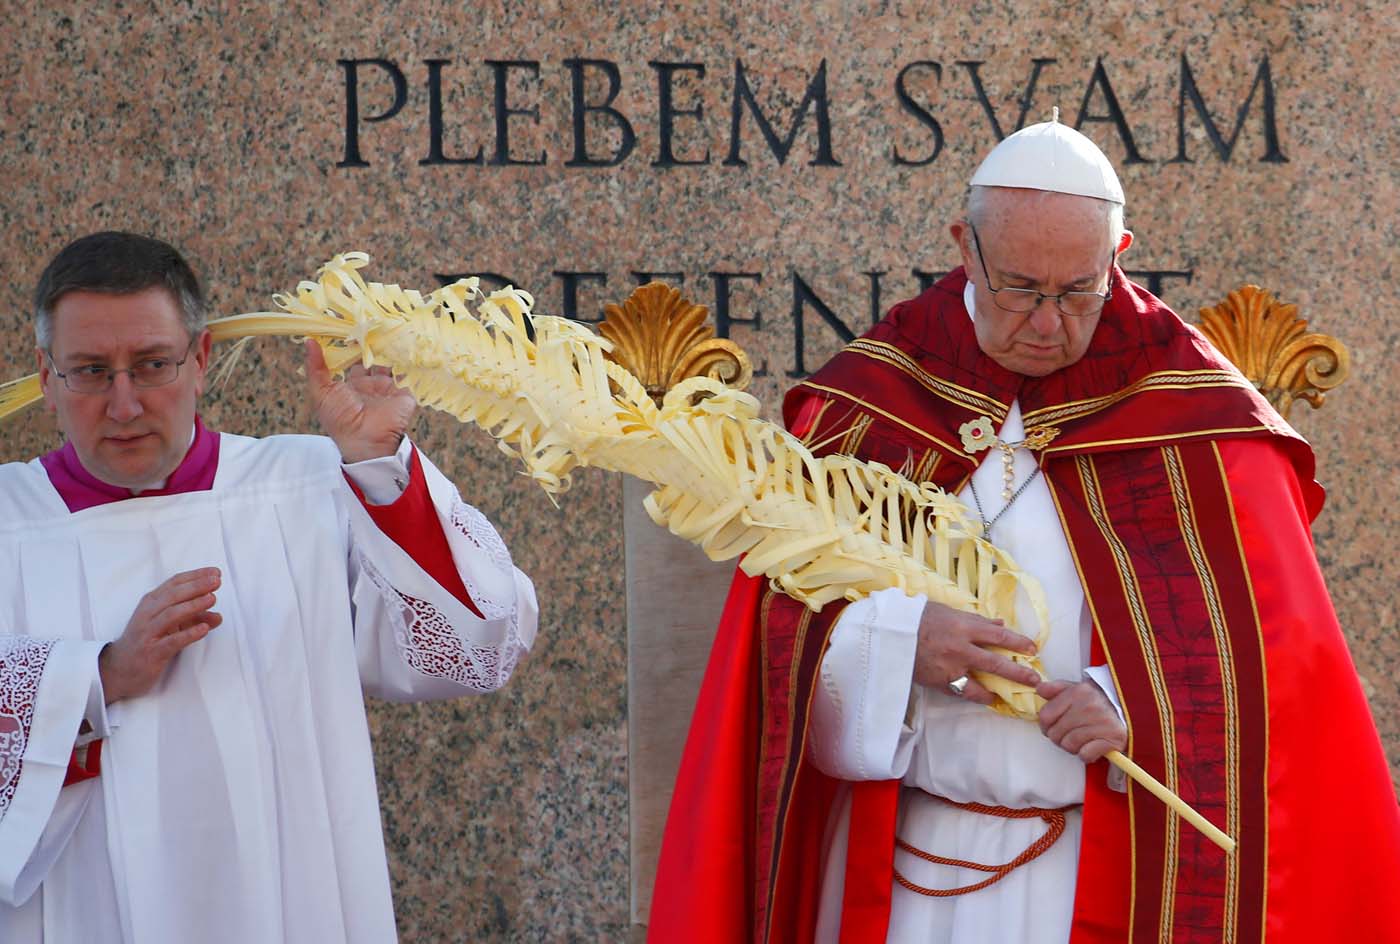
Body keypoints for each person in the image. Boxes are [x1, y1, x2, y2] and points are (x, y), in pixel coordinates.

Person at [648, 121, 1400, 942]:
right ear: (963, 247)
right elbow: (775, 635)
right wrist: (898, 645)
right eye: (1019, 289)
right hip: (902, 865)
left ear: (1120, 253)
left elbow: (1277, 654)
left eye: (1080, 290)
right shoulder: (870, 401)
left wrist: (1130, 703)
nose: (1048, 323)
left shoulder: (1197, 419)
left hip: (1097, 875)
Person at [0, 232, 539, 943]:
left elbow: (475, 650)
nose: (124, 404)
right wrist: (97, 675)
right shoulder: (11, 520)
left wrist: (382, 472)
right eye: (91, 371)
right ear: (46, 375)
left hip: (289, 895)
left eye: (153, 365)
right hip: (78, 901)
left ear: (201, 358)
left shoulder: (307, 485)